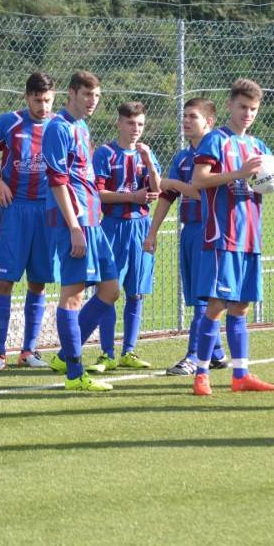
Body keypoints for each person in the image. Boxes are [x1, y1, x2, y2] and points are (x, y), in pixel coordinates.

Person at [189, 78, 274, 396]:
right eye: (243, 107)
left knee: (241, 306)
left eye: (253, 109)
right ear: (230, 105)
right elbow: (199, 180)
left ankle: (241, 374)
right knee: (217, 303)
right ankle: (201, 373)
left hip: (250, 239)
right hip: (222, 236)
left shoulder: (260, 147)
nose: (248, 113)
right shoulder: (215, 141)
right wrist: (241, 173)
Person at [0, 72, 57, 371]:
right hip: (15, 209)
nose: (43, 106)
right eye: (38, 100)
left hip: (47, 211)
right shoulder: (9, 122)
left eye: (48, 100)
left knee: (38, 282)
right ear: (27, 97)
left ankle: (29, 351)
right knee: (5, 280)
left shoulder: (59, 126)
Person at [43, 71, 118, 392]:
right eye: (87, 95)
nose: (93, 102)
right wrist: (74, 226)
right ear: (71, 94)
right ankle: (74, 373)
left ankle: (65, 354)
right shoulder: (58, 129)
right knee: (72, 297)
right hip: (72, 223)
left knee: (111, 290)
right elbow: (58, 182)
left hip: (92, 221)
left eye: (97, 97)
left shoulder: (82, 128)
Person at [143, 98, 228, 376]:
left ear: (209, 122)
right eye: (185, 116)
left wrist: (174, 184)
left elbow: (202, 192)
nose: (186, 120)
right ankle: (214, 352)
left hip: (210, 230)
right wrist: (152, 232)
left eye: (193, 116)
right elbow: (167, 196)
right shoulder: (182, 157)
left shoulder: (216, 153)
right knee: (196, 296)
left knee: (205, 297)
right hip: (189, 231)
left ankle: (194, 355)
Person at [87, 101, 161, 372]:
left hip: (141, 227)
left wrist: (149, 165)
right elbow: (98, 193)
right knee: (109, 290)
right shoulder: (106, 154)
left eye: (140, 124)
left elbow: (158, 189)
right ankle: (106, 353)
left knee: (137, 291)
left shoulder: (146, 154)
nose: (135, 129)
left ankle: (129, 351)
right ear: (119, 123)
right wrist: (132, 196)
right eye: (130, 123)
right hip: (113, 227)